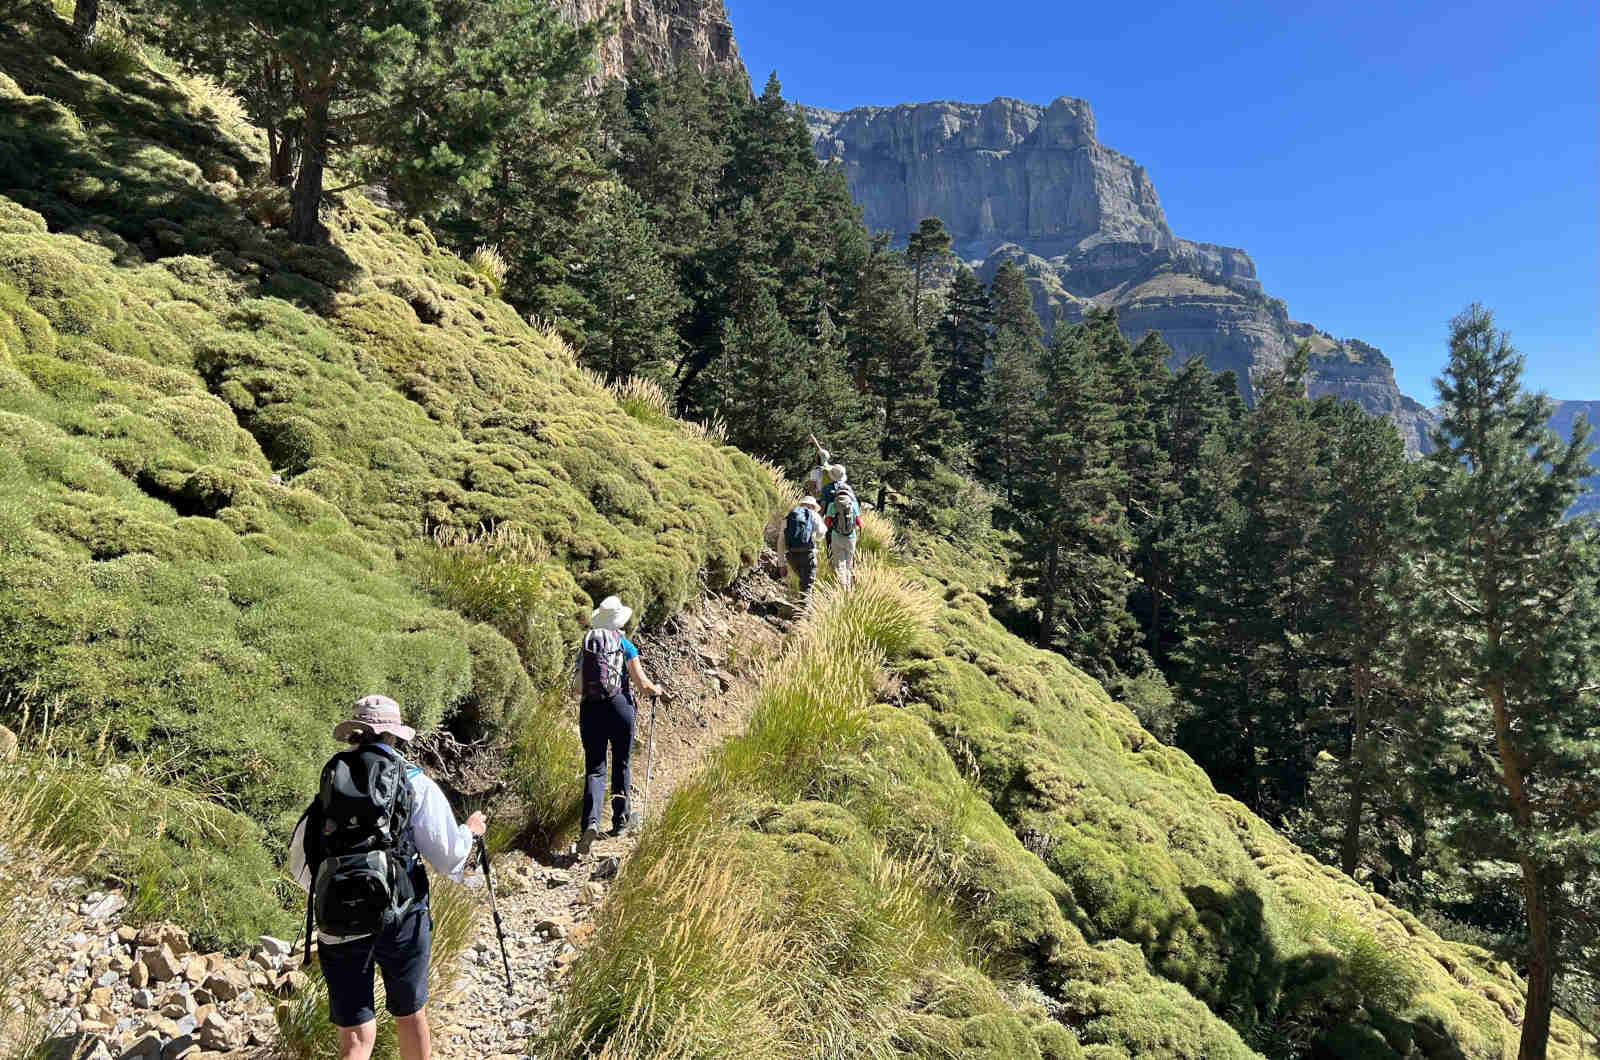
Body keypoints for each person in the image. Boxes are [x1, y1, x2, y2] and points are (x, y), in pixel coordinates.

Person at [289, 695, 485, 1060]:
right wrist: (470, 832)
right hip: (401, 914)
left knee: (355, 1039)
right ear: (394, 736)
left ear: (354, 733)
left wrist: (338, 893)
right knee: (409, 1015)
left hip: (338, 918)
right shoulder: (414, 782)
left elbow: (300, 859)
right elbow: (448, 857)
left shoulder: (333, 781)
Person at [576, 595, 664, 855]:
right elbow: (642, 683)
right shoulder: (625, 645)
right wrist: (656, 690)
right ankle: (620, 819)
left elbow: (577, 687)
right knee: (621, 763)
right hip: (620, 707)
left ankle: (590, 823)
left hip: (591, 709)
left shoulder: (588, 645)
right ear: (619, 621)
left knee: (595, 768)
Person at [823, 465, 861, 590]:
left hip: (836, 536)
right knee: (849, 564)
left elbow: (827, 522)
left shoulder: (832, 504)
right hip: (851, 537)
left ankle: (840, 588)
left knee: (839, 563)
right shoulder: (853, 504)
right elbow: (859, 523)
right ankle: (848, 588)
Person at [783, 495, 826, 595]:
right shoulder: (814, 514)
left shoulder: (790, 515)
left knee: (802, 581)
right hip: (807, 554)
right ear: (813, 506)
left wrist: (781, 563)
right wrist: (815, 538)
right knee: (807, 586)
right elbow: (822, 531)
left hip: (791, 555)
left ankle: (798, 600)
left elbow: (781, 539)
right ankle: (804, 603)